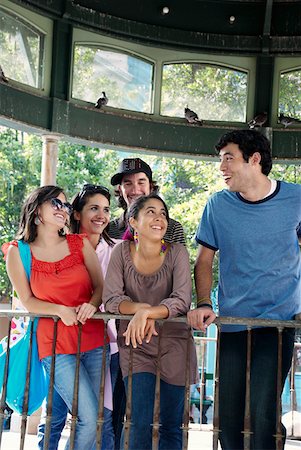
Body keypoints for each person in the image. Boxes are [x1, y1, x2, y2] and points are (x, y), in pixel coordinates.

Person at [187, 129, 301, 450]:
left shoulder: (297, 199)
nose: (222, 167)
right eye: (220, 159)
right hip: (233, 323)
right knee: (229, 418)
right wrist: (205, 301)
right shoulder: (217, 206)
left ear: (254, 160)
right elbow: (204, 261)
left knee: (264, 414)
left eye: (228, 158)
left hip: (277, 324)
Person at [4, 185, 110, 450]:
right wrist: (60, 310)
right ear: (37, 208)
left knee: (95, 418)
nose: (63, 209)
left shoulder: (79, 243)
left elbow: (100, 286)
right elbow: (27, 301)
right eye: (56, 203)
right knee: (86, 415)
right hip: (54, 345)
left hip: (94, 339)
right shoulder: (19, 252)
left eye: (65, 205)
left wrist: (91, 304)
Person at [103, 193, 198, 450]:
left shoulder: (177, 252)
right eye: (151, 212)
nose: (159, 218)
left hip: (175, 345)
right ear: (133, 221)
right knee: (137, 421)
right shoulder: (121, 252)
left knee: (171, 424)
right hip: (136, 344)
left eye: (163, 213)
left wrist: (147, 314)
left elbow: (181, 300)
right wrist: (141, 308)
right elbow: (111, 299)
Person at [109, 157, 185, 244]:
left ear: (151, 186)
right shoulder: (109, 229)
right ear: (120, 190)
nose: (135, 190)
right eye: (128, 183)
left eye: (141, 183)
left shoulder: (173, 229)